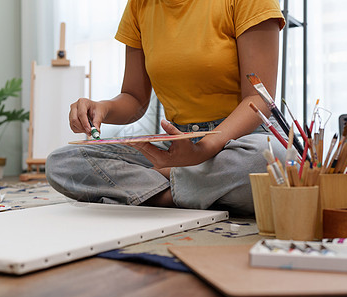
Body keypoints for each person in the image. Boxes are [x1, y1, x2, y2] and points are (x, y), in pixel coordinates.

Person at [46, 0, 287, 215]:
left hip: (244, 139)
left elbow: (258, 99)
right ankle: (202, 191)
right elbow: (134, 97)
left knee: (271, 160)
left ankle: (163, 196)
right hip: (177, 147)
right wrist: (102, 108)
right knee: (62, 163)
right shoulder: (139, 5)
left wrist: (201, 152)